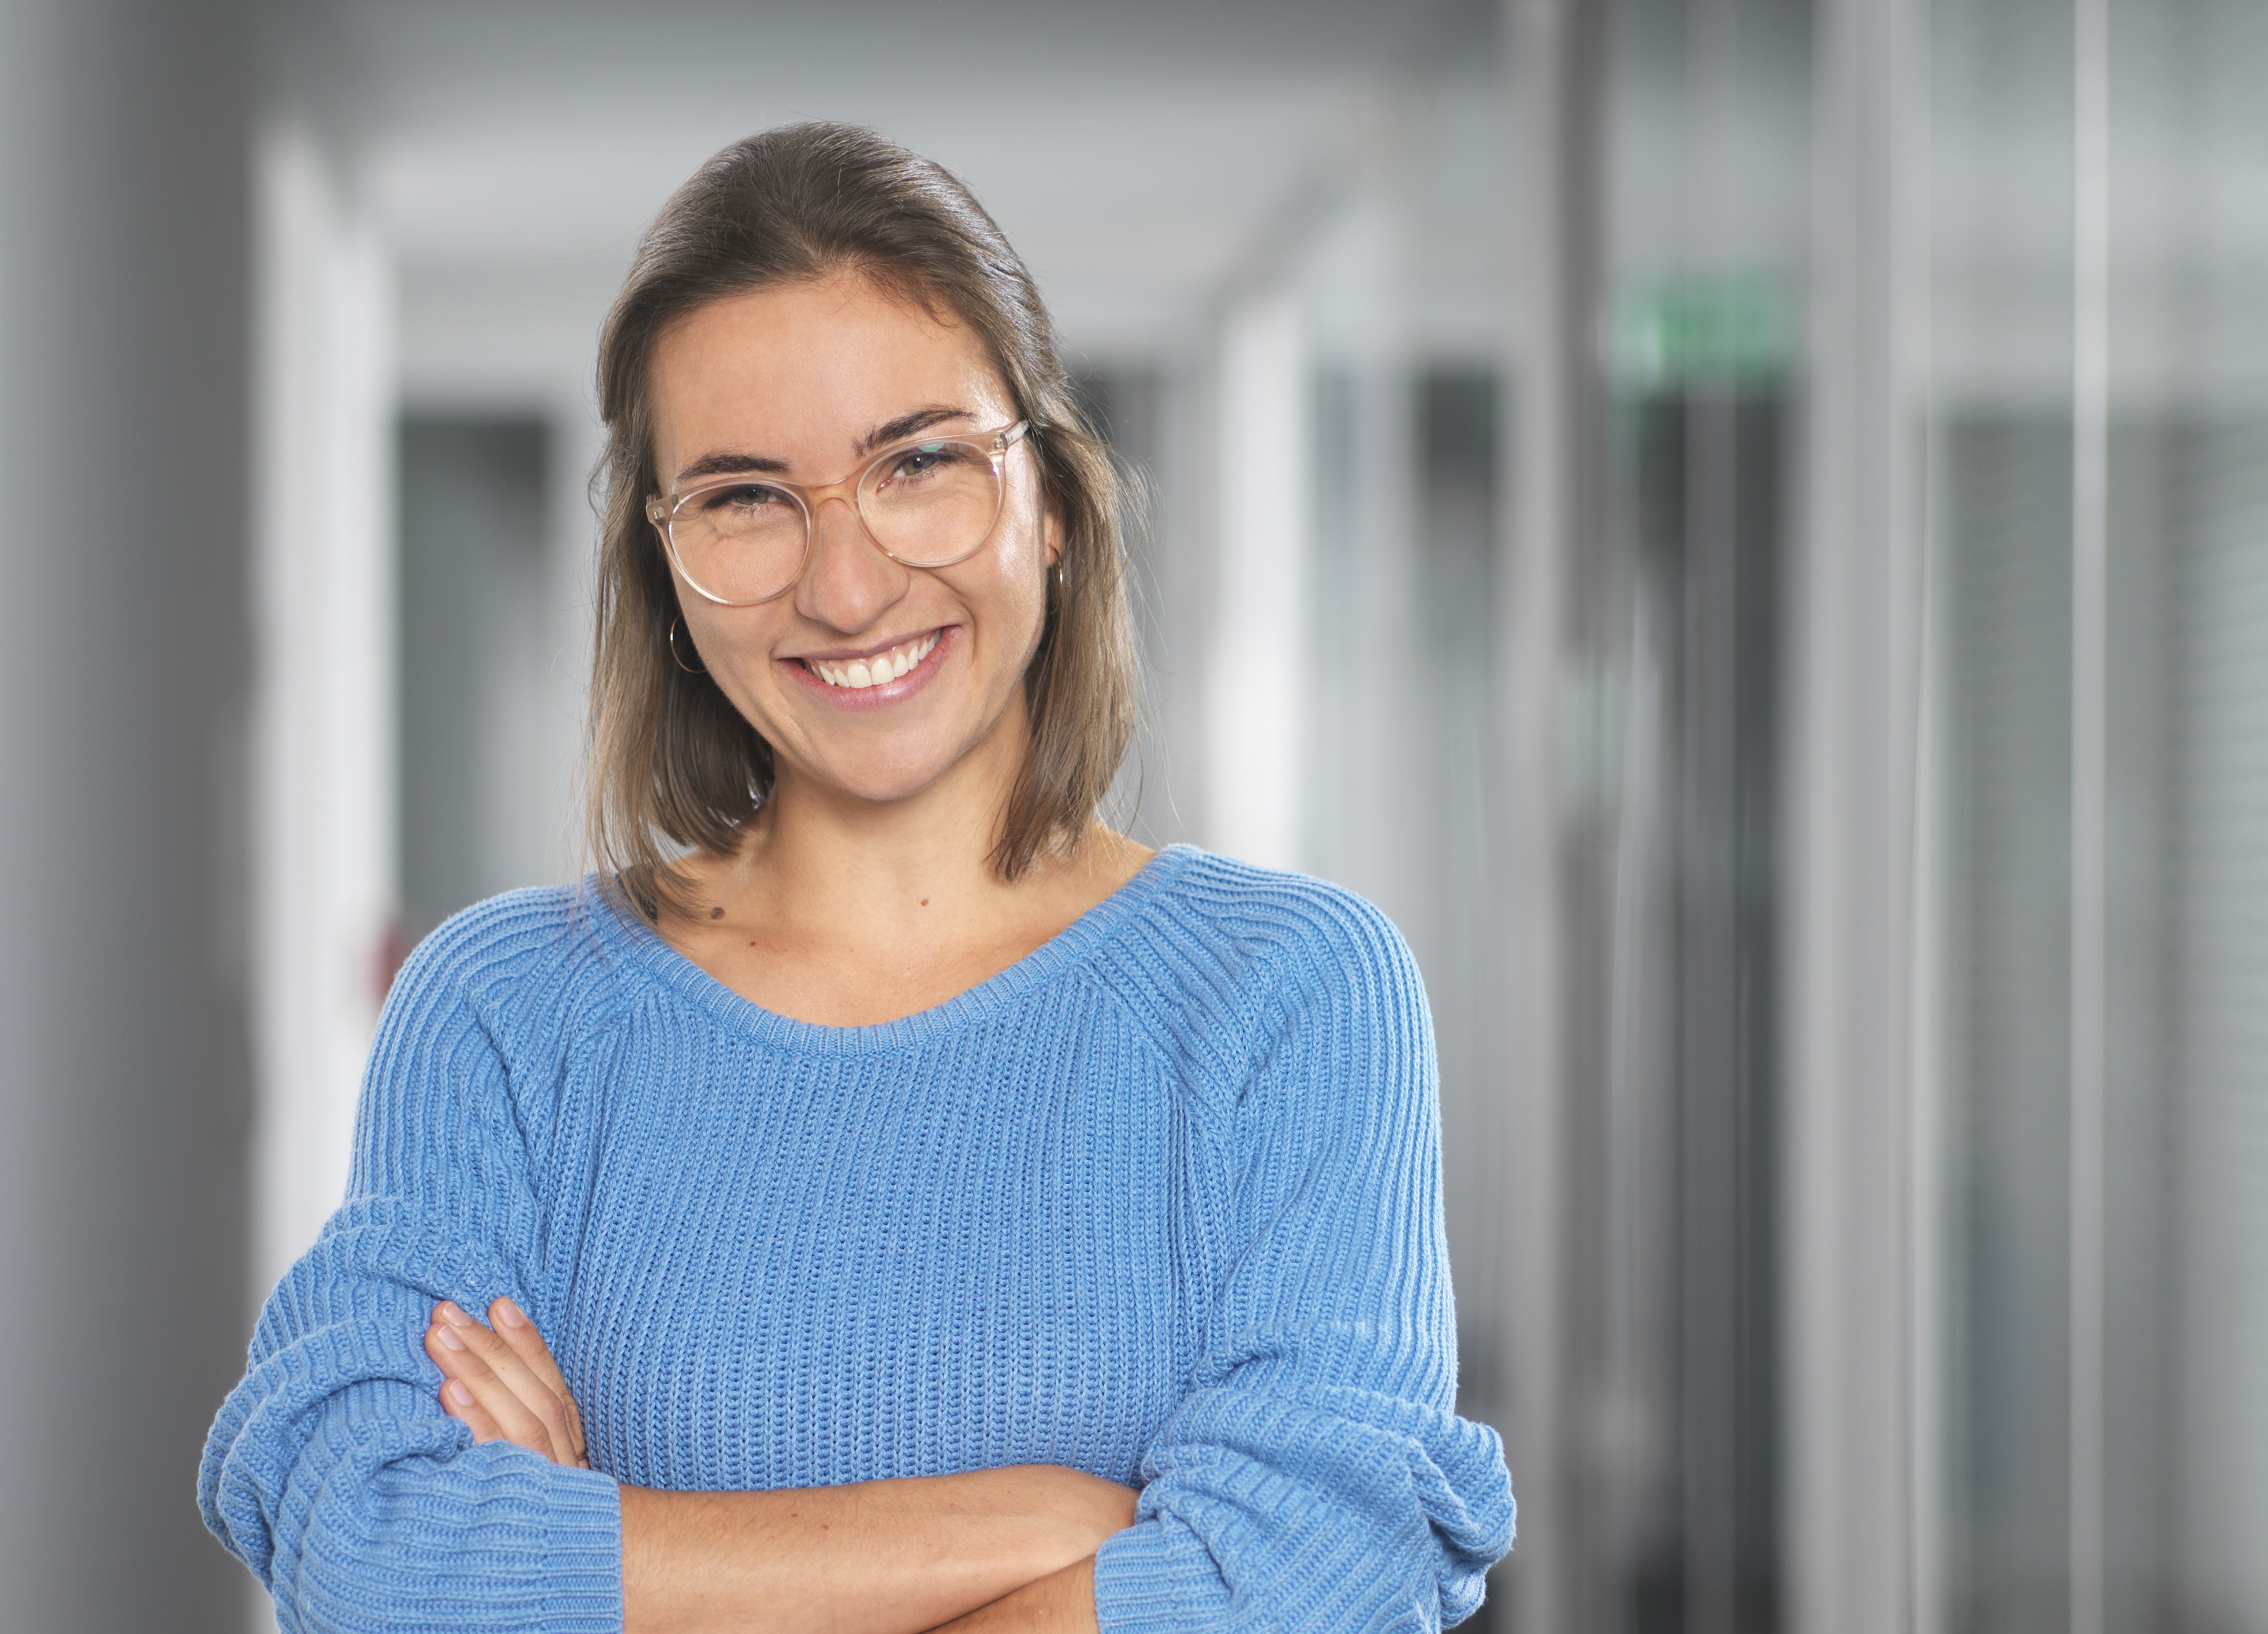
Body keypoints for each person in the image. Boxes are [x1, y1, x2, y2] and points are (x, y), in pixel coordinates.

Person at [200, 122, 1514, 1632]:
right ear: (662, 566)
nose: (845, 583)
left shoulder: (1294, 996)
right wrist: (1051, 1527)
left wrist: (586, 1558)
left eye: (919, 462)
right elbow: (363, 1547)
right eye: (748, 496)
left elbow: (1314, 1578)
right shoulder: (505, 1013)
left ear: (1056, 504)